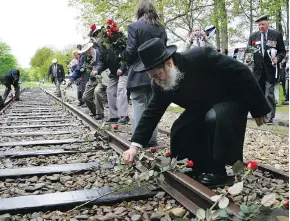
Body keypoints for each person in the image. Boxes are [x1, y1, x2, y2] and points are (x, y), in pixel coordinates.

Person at [122, 38, 271, 186]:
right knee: (180, 128)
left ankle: (217, 171)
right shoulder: (159, 84)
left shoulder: (201, 57)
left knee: (214, 118)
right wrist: (135, 146)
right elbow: (152, 113)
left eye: (156, 75)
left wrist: (258, 108)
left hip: (231, 100)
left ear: (168, 64)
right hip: (204, 106)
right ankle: (193, 165)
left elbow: (242, 71)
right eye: (152, 77)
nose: (156, 81)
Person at [121, 0, 167, 146]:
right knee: (153, 106)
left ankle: (140, 139)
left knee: (139, 104)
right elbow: (164, 50)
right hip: (158, 72)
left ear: (139, 11)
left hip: (139, 72)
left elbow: (131, 51)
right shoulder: (161, 28)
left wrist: (122, 56)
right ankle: (151, 139)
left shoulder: (134, 27)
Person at [248, 15, 286, 124]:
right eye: (259, 25)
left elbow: (282, 51)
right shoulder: (253, 36)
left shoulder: (276, 35)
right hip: (257, 71)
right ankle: (260, 115)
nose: (261, 26)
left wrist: (277, 59)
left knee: (269, 93)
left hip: (271, 70)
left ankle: (270, 116)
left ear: (267, 24)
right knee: (259, 93)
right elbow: (249, 51)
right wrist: (248, 58)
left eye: (263, 24)